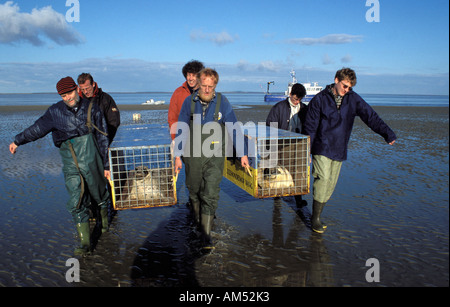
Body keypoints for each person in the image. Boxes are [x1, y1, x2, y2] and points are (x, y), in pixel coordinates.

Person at [9, 77, 111, 256]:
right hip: (69, 158)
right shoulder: (55, 112)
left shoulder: (91, 107)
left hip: (91, 157)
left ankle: (104, 222)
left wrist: (106, 165)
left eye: (70, 93)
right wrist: (18, 141)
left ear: (76, 90)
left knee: (98, 192)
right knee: (75, 197)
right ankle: (85, 243)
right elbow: (37, 129)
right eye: (63, 95)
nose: (68, 98)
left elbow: (102, 137)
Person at [303, 68, 396, 233]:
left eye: (350, 87)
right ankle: (315, 218)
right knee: (322, 179)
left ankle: (318, 214)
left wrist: (387, 133)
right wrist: (307, 152)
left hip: (339, 148)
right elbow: (310, 127)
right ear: (336, 80)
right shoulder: (320, 99)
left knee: (330, 184)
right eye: (345, 86)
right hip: (321, 146)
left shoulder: (353, 99)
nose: (347, 90)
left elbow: (370, 116)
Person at [173, 68, 249, 251]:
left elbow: (234, 128)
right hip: (193, 156)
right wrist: (177, 156)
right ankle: (198, 220)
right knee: (194, 190)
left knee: (211, 192)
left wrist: (243, 153)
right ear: (198, 84)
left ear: (215, 85)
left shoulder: (223, 102)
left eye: (211, 87)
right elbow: (181, 129)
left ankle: (206, 236)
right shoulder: (188, 102)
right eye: (204, 86)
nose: (207, 90)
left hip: (215, 155)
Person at [266, 83, 309, 207]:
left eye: (300, 100)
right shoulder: (278, 108)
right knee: (280, 170)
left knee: (298, 171)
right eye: (295, 99)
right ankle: (276, 195)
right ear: (290, 94)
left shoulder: (305, 109)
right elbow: (270, 127)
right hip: (281, 145)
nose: (297, 102)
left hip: (298, 145)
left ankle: (298, 200)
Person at [77, 73, 120, 145]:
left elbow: (114, 122)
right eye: (82, 89)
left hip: (102, 141)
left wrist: (105, 140)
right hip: (83, 144)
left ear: (93, 84)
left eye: (87, 88)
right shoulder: (78, 101)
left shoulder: (105, 99)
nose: (85, 92)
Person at [168, 60, 205, 141]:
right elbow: (172, 119)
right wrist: (175, 139)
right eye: (189, 75)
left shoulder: (206, 92)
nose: (191, 78)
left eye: (194, 75)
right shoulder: (178, 93)